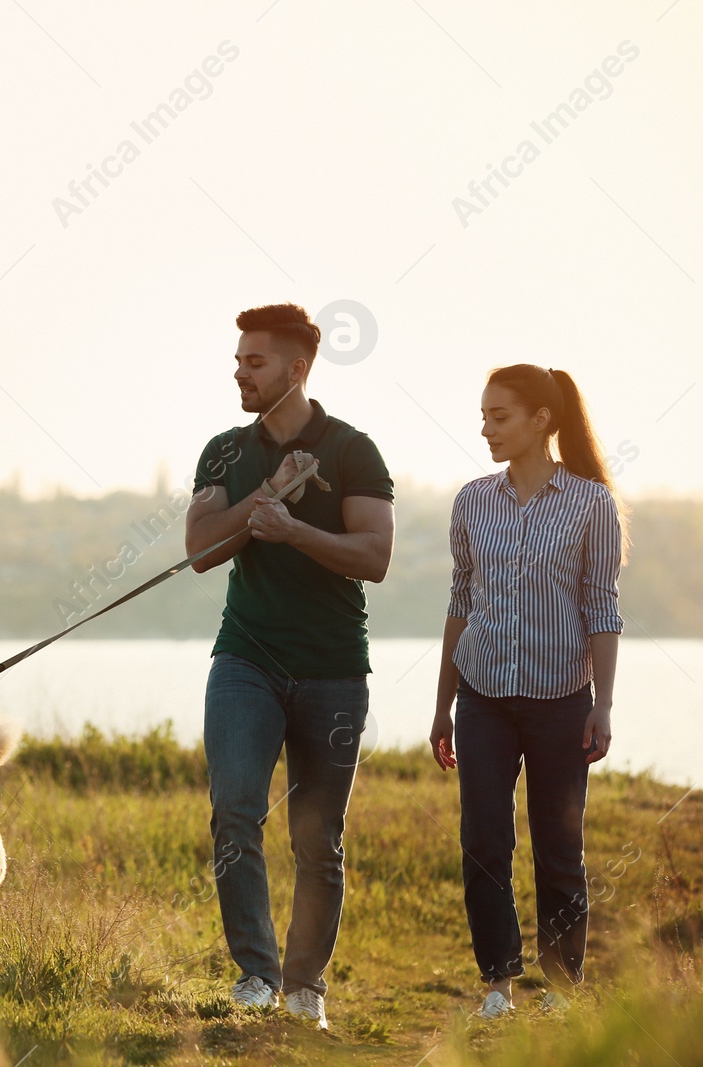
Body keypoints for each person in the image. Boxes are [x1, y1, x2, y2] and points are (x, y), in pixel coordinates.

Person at [186, 303, 396, 1030]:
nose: (240, 372)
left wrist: (297, 529)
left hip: (334, 668)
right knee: (235, 809)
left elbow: (375, 556)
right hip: (246, 659)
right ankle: (256, 973)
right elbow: (202, 548)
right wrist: (265, 497)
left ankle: (305, 985)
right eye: (239, 359)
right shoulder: (223, 451)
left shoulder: (353, 450)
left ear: (297, 367)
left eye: (255, 361)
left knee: (317, 834)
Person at [428, 363, 626, 1019]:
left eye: (499, 415)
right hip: (482, 693)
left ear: (541, 419)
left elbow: (602, 605)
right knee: (483, 841)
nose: (486, 428)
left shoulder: (590, 504)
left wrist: (602, 701)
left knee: (558, 846)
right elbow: (460, 602)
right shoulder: (471, 501)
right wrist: (443, 703)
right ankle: (498, 983)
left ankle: (564, 986)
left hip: (560, 698)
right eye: (483, 416)